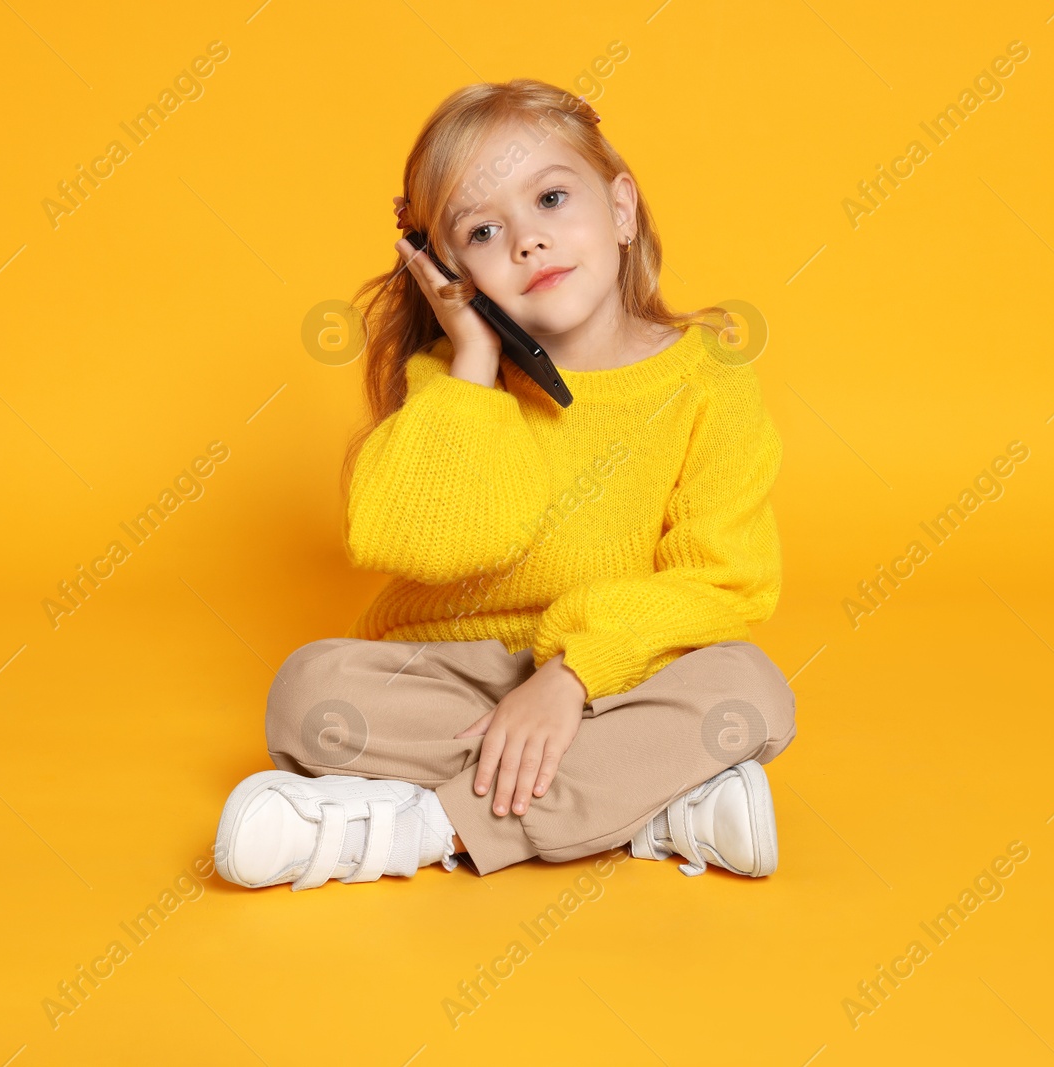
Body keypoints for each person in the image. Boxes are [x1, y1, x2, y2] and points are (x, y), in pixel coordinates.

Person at [213, 78, 794, 892]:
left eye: (553, 198)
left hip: (613, 679)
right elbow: (415, 542)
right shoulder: (454, 386)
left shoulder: (709, 381)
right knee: (308, 695)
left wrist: (569, 677)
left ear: (622, 209)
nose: (527, 241)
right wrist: (476, 364)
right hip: (453, 678)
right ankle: (651, 804)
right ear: (447, 271)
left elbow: (723, 578)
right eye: (484, 231)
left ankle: (421, 827)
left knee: (750, 691)